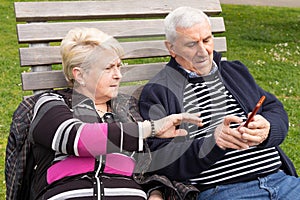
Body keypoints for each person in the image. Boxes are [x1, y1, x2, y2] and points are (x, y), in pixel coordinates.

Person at [139, 6, 300, 199]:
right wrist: (211, 144)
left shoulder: (234, 72)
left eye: (207, 40)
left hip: (281, 181)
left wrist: (268, 129)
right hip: (224, 191)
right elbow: (159, 158)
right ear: (171, 48)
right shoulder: (159, 91)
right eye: (191, 44)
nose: (203, 51)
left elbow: (274, 109)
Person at [28, 27, 203, 200]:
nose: (118, 75)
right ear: (79, 75)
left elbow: (150, 167)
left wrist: (156, 192)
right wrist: (151, 128)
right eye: (108, 68)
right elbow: (78, 139)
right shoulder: (52, 103)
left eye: (119, 66)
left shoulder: (128, 111)